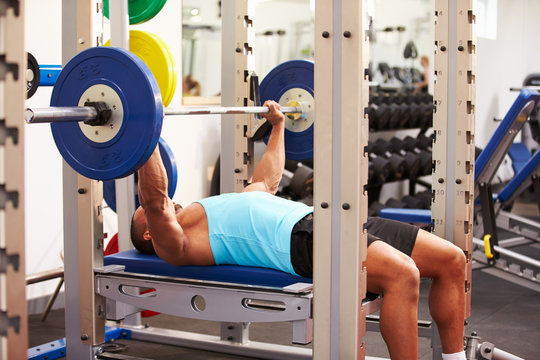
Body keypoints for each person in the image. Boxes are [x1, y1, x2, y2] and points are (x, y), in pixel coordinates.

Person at [131, 100, 467, 360]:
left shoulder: (219, 205)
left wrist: (278, 127)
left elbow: (266, 180)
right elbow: (156, 200)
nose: (167, 204)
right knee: (403, 275)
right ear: (150, 234)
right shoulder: (175, 244)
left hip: (325, 219)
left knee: (452, 260)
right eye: (143, 213)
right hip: (300, 240)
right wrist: (145, 131)